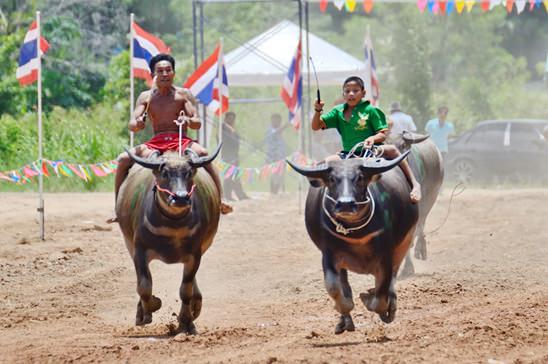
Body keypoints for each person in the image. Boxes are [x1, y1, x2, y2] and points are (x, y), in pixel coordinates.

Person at [112, 53, 231, 218]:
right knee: (123, 159)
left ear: (174, 73)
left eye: (168, 70)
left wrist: (188, 120)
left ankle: (221, 200)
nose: (165, 74)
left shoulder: (183, 94)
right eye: (160, 71)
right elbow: (132, 125)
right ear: (154, 74)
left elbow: (197, 122)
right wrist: (138, 123)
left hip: (180, 140)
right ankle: (118, 207)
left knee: (203, 154)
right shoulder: (146, 97)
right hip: (157, 141)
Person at [311, 76, 421, 203]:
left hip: (371, 150)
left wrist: (372, 139)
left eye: (355, 90)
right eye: (347, 91)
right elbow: (316, 126)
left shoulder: (370, 110)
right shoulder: (337, 111)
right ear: (343, 94)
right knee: (320, 166)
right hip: (347, 154)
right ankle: (323, 202)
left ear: (363, 93)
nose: (351, 94)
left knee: (392, 149)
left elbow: (382, 134)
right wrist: (318, 110)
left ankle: (414, 183)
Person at [220, 112, 250, 201]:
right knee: (228, 176)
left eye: (233, 119)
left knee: (236, 176)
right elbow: (225, 138)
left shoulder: (232, 129)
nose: (232, 120)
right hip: (227, 155)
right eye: (230, 118)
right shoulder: (223, 128)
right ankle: (228, 195)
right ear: (226, 119)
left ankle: (240, 194)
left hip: (234, 155)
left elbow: (237, 140)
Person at [265, 113, 289, 194]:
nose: (277, 123)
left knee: (280, 176)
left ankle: (277, 191)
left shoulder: (280, 133)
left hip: (280, 157)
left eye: (279, 121)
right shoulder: (270, 130)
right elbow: (276, 132)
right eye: (275, 120)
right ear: (271, 121)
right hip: (273, 157)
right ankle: (273, 191)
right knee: (275, 175)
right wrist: (286, 125)